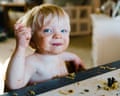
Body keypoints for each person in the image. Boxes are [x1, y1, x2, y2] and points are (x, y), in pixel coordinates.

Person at [5, 4, 85, 90]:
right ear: (31, 40)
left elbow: (70, 56)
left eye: (63, 30)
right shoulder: (32, 62)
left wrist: (76, 59)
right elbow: (14, 85)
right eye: (48, 30)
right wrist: (21, 47)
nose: (58, 36)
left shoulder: (60, 56)